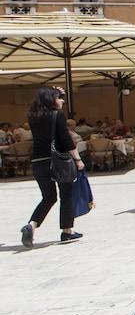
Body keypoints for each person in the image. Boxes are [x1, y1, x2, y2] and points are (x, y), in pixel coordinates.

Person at [20, 87, 86, 246]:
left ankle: (31, 225)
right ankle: (67, 231)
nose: (62, 100)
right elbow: (66, 140)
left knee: (48, 197)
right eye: (59, 97)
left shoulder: (33, 116)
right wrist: (78, 159)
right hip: (59, 161)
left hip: (38, 162)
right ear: (51, 99)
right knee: (66, 195)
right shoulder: (57, 115)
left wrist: (54, 92)